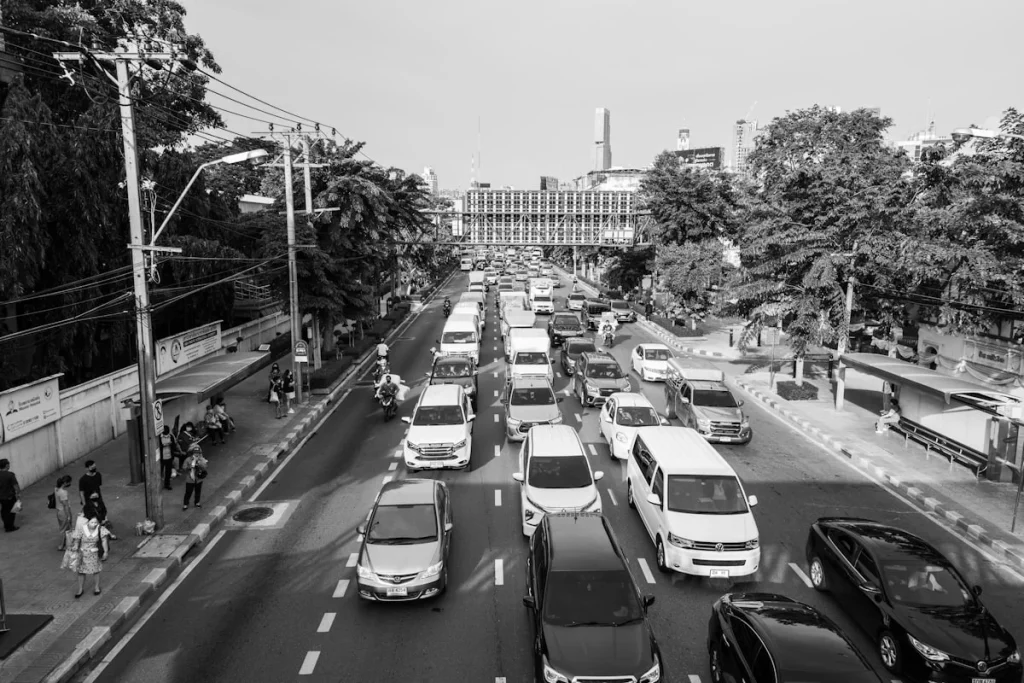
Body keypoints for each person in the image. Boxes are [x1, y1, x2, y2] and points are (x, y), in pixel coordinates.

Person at [66, 514, 110, 597]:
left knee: (96, 571)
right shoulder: (82, 529)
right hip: (82, 554)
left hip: (94, 554)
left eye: (95, 522)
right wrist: (75, 546)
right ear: (88, 522)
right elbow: (77, 539)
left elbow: (104, 541)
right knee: (81, 572)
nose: (94, 524)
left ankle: (96, 587)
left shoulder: (101, 529)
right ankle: (80, 589)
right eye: (92, 522)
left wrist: (105, 551)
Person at [182, 445, 208, 511]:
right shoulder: (188, 459)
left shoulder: (201, 459)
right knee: (188, 492)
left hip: (198, 479)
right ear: (193, 453)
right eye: (195, 452)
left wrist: (199, 464)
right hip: (190, 479)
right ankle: (185, 504)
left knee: (198, 492)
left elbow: (205, 467)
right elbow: (184, 467)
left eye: (198, 452)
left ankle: (197, 502)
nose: (196, 454)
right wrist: (190, 467)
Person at [0, 458, 21, 532]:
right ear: (6, 465)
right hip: (9, 497)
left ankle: (6, 525)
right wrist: (18, 494)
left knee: (4, 511)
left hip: (1, 498)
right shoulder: (10, 475)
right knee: (13, 511)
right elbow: (16, 486)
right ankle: (10, 527)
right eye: (8, 464)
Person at [55, 475, 73, 550]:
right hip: (63, 512)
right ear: (65, 483)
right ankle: (62, 545)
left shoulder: (56, 489)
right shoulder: (63, 493)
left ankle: (64, 544)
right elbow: (66, 506)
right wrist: (69, 516)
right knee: (65, 529)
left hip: (58, 511)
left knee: (64, 528)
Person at [159, 426, 177, 490]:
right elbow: (158, 446)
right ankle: (159, 485)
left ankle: (167, 484)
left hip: (169, 457)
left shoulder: (171, 436)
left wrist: (171, 444)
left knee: (168, 472)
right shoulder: (159, 437)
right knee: (159, 471)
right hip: (161, 458)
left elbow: (174, 446)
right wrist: (164, 445)